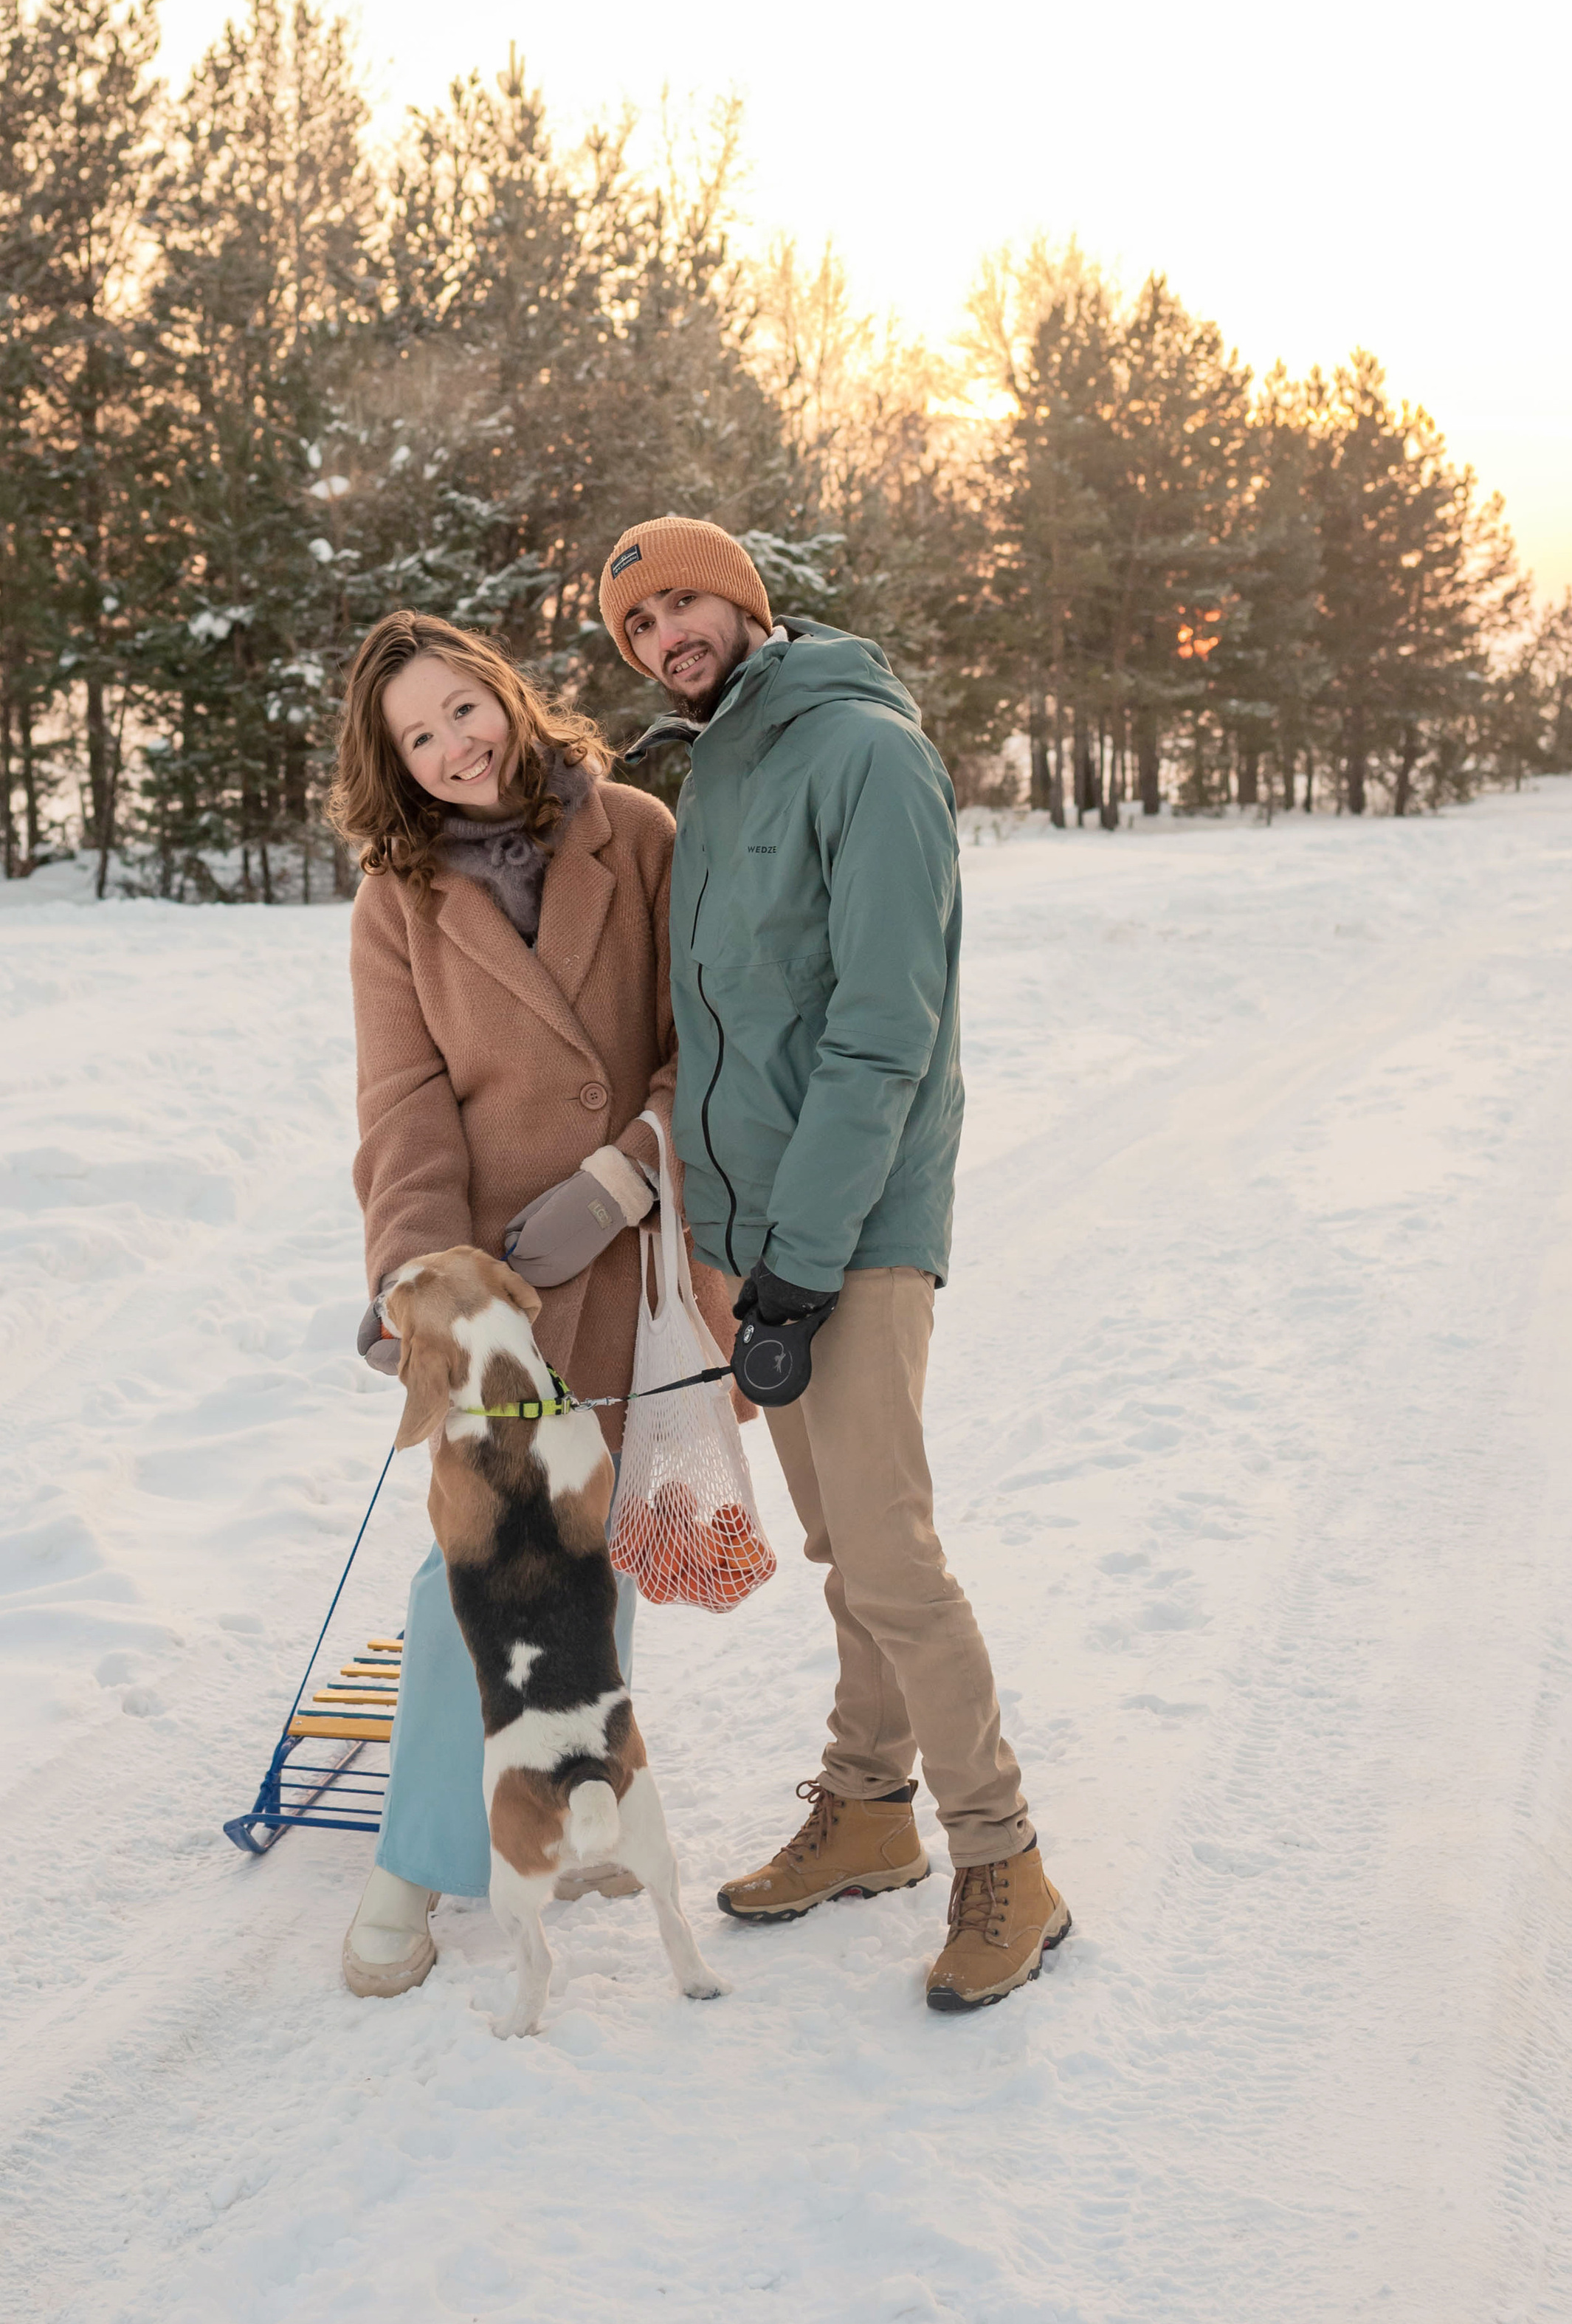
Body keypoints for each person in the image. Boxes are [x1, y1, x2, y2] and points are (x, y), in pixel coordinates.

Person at [599, 516, 1070, 2012]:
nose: (666, 633)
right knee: (838, 1548)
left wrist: (798, 1262)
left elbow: (882, 1030)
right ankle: (869, 1808)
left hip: (850, 1229)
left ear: (742, 601)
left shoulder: (862, 752)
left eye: (684, 601)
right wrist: (723, 1252)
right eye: (636, 624)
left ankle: (1004, 1857)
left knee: (888, 1552)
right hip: (760, 1239)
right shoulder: (720, 764)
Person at [330, 610, 734, 1997]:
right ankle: (419, 1858)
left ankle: (575, 1798)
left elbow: (710, 1040)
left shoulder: (635, 830)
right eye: (418, 735)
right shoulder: (399, 897)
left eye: (464, 708)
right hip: (498, 1286)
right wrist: (419, 1271)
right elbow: (404, 1105)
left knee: (601, 1544)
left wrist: (629, 1178)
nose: (454, 746)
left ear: (505, 691)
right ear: (393, 763)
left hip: (631, 1260)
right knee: (495, 1561)